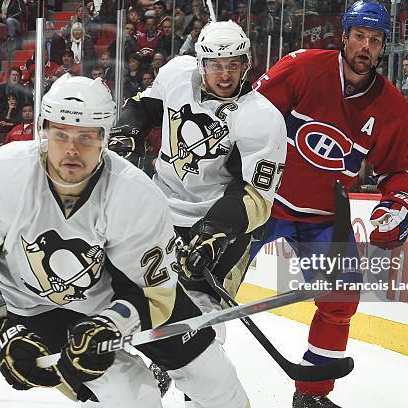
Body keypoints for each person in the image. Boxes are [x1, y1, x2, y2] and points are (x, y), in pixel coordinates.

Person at [0, 74, 248, 408]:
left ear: (105, 138)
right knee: (134, 396)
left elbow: (154, 292)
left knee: (217, 384)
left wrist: (112, 323)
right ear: (43, 131)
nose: (72, 149)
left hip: (128, 299)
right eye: (61, 134)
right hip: (38, 307)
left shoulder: (135, 194)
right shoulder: (1, 176)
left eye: (87, 137)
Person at [250, 2, 408, 407]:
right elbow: (247, 118)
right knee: (211, 285)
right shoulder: (302, 67)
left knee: (341, 300)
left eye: (375, 40)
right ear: (343, 36)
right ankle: (185, 369)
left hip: (323, 216)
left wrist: (397, 203)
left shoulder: (393, 109)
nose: (366, 46)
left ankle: (311, 394)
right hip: (262, 202)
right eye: (359, 36)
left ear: (383, 48)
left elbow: (397, 172)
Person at [112, 20, 287, 401]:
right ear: (201, 64)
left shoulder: (262, 117)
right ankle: (160, 362)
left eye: (234, 64)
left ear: (247, 64)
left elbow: (254, 196)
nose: (225, 74)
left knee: (205, 307)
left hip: (222, 221)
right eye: (216, 65)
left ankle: (206, 387)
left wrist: (211, 236)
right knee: (146, 287)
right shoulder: (176, 73)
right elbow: (145, 106)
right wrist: (127, 129)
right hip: (160, 207)